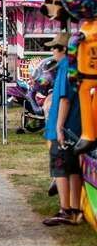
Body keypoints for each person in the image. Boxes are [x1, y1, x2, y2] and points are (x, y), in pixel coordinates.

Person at [43, 31, 85, 226]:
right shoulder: (80, 65)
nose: (52, 51)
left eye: (54, 47)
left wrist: (59, 127)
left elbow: (64, 98)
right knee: (75, 169)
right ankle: (77, 210)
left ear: (63, 50)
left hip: (64, 128)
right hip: (78, 128)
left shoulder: (64, 67)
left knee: (60, 169)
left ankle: (65, 209)